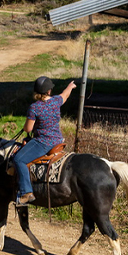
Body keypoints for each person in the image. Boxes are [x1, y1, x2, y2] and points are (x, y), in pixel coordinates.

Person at [12, 76, 76, 206]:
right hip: (58, 140)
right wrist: (70, 86)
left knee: (18, 159)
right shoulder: (56, 101)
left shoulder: (34, 107)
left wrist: (25, 127)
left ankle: (26, 192)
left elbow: (28, 128)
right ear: (48, 91)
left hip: (43, 142)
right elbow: (65, 95)